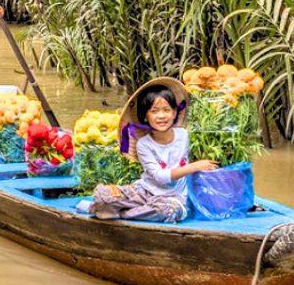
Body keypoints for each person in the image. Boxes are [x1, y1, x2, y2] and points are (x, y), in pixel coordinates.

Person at [90, 77, 217, 223]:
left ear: (174, 112)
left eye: (166, 110)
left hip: (173, 198)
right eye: (154, 111)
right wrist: (194, 166)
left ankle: (123, 214)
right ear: (145, 116)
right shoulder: (144, 144)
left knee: (170, 210)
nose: (161, 116)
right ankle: (135, 209)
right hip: (144, 192)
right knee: (103, 195)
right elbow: (160, 176)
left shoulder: (184, 135)